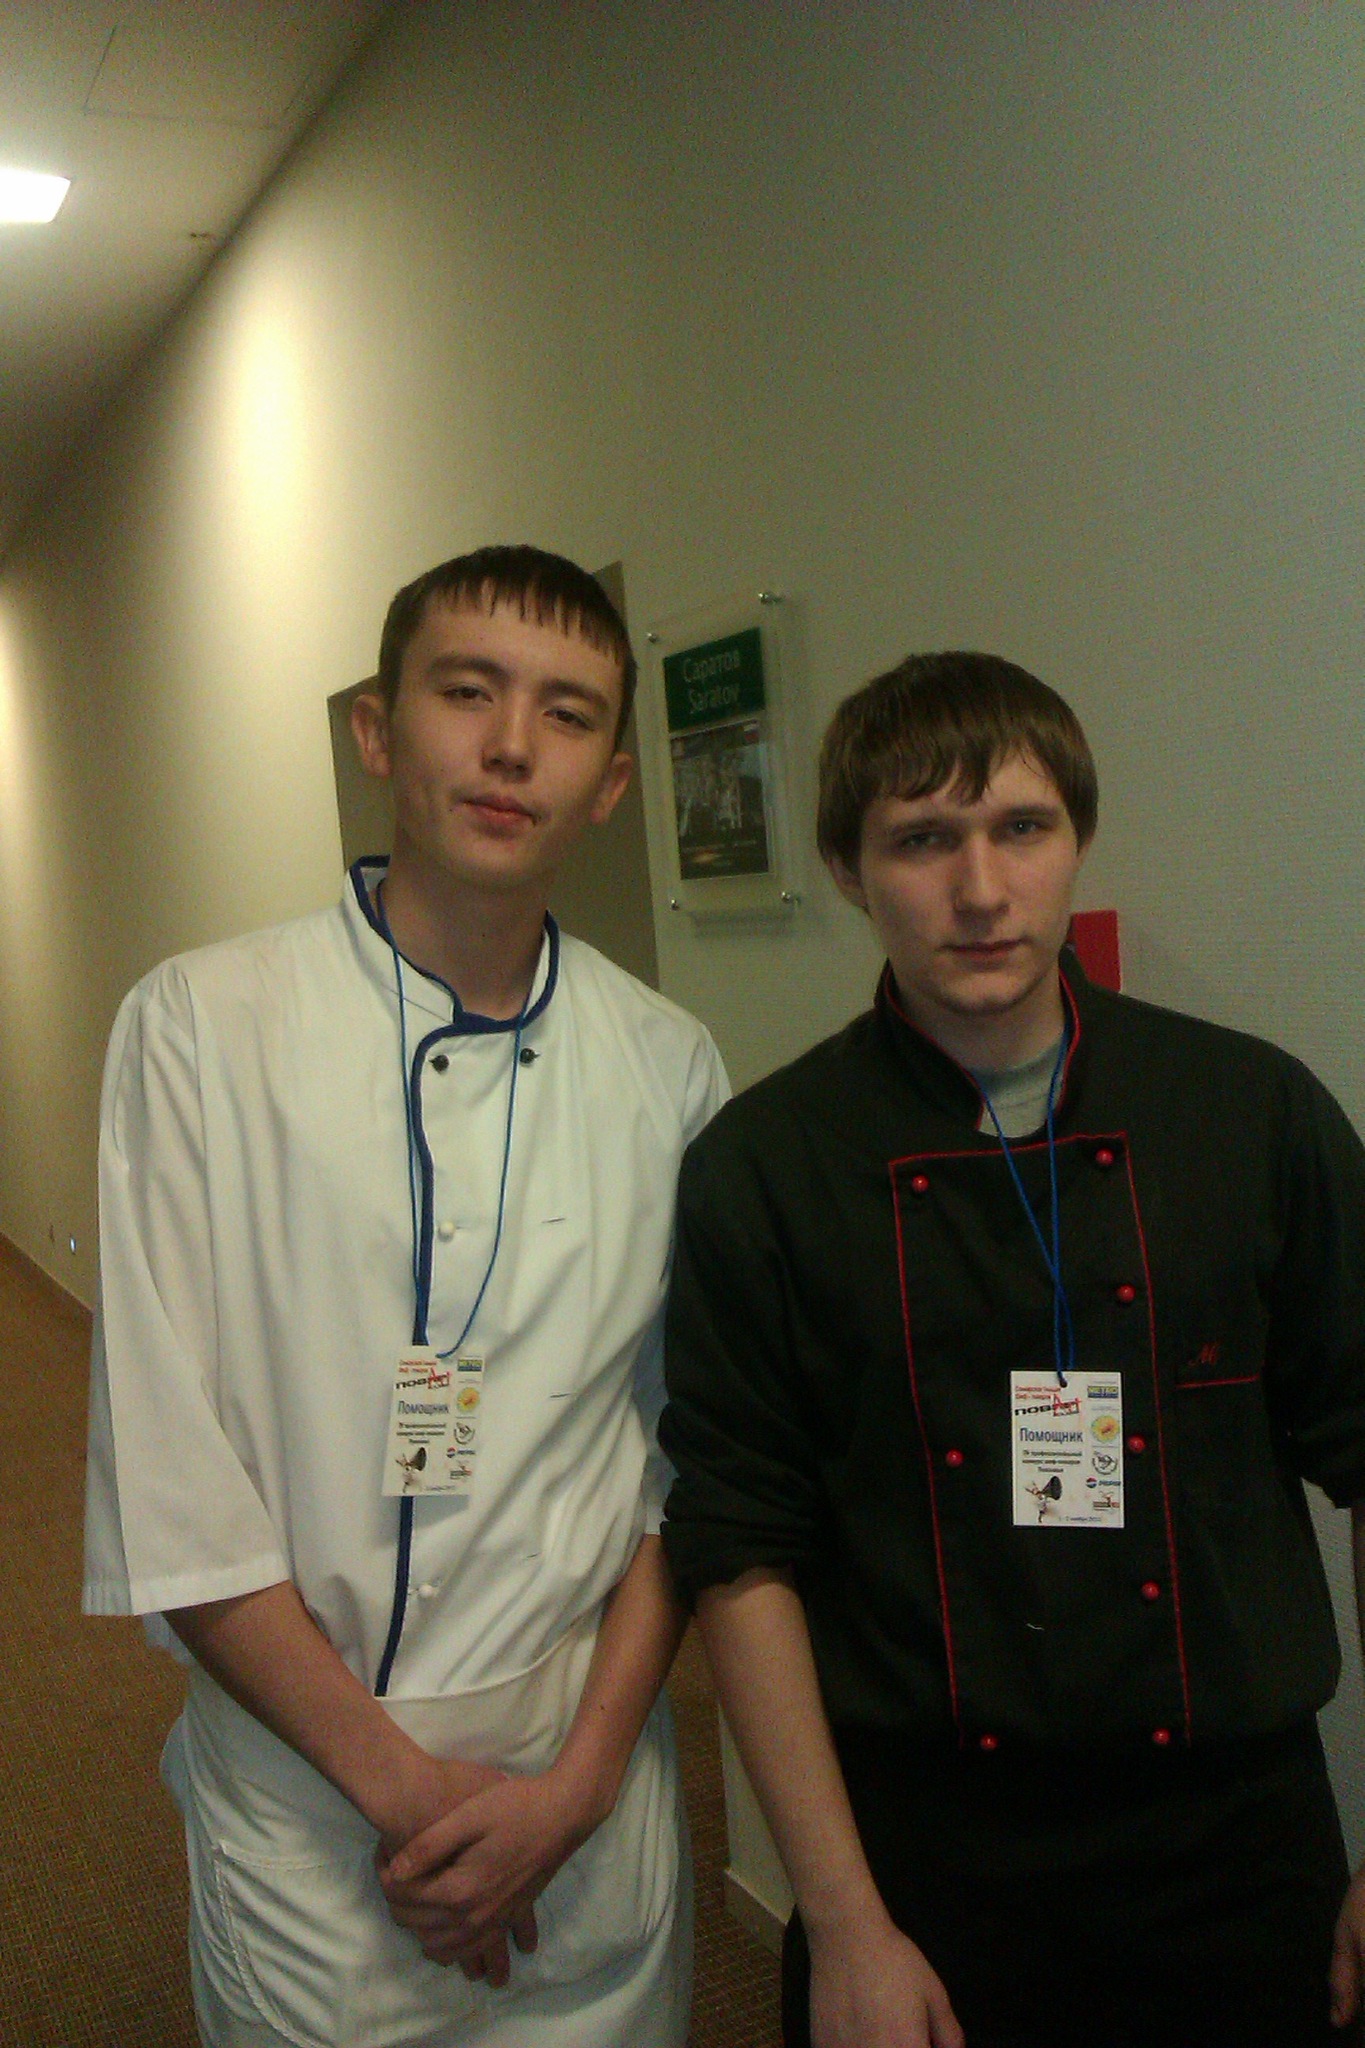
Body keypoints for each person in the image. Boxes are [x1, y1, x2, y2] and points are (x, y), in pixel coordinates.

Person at [660, 650, 1365, 2048]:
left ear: (1077, 837)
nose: (980, 890)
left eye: (1020, 828)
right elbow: (741, 1549)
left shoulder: (1248, 1113)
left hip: (1236, 1841)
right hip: (921, 1863)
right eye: (922, 840)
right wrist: (841, 1919)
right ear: (849, 870)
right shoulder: (767, 1166)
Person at [83, 544, 727, 2048]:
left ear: (610, 784)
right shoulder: (202, 1028)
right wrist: (406, 1794)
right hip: (314, 1808)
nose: (511, 745)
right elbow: (173, 1484)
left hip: (580, 1792)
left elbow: (687, 1464)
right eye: (467, 691)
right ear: (378, 731)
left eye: (565, 713)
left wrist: (573, 1793)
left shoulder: (669, 1066)